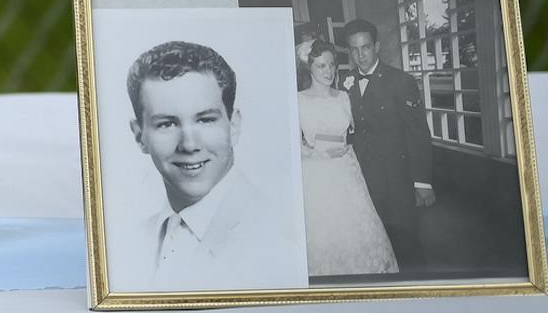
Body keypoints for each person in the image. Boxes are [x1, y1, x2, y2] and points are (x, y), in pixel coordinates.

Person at [111, 39, 302, 292]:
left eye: (205, 120)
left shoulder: (280, 236)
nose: (189, 145)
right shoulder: (129, 244)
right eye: (167, 124)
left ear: (233, 126)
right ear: (139, 136)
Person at [298, 38, 398, 276]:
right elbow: (290, 146)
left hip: (346, 170)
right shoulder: (298, 100)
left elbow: (354, 132)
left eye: (332, 65)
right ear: (309, 67)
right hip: (316, 174)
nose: (329, 71)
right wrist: (317, 153)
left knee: (357, 231)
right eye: (321, 66)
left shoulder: (343, 97)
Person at [342, 19, 434, 270]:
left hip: (397, 182)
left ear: (377, 46)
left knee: (407, 247)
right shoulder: (344, 84)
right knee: (375, 247)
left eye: (366, 47)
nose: (360, 55)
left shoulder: (400, 81)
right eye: (354, 49)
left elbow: (418, 134)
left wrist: (422, 182)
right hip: (362, 181)